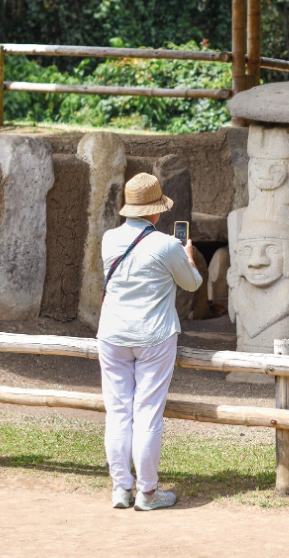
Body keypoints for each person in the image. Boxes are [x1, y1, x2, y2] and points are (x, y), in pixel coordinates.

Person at [97, 173, 202, 510]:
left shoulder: (109, 239)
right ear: (156, 212)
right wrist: (187, 256)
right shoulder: (167, 245)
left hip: (112, 334)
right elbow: (192, 284)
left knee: (117, 413)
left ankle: (120, 489)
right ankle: (148, 492)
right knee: (147, 414)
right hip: (154, 336)